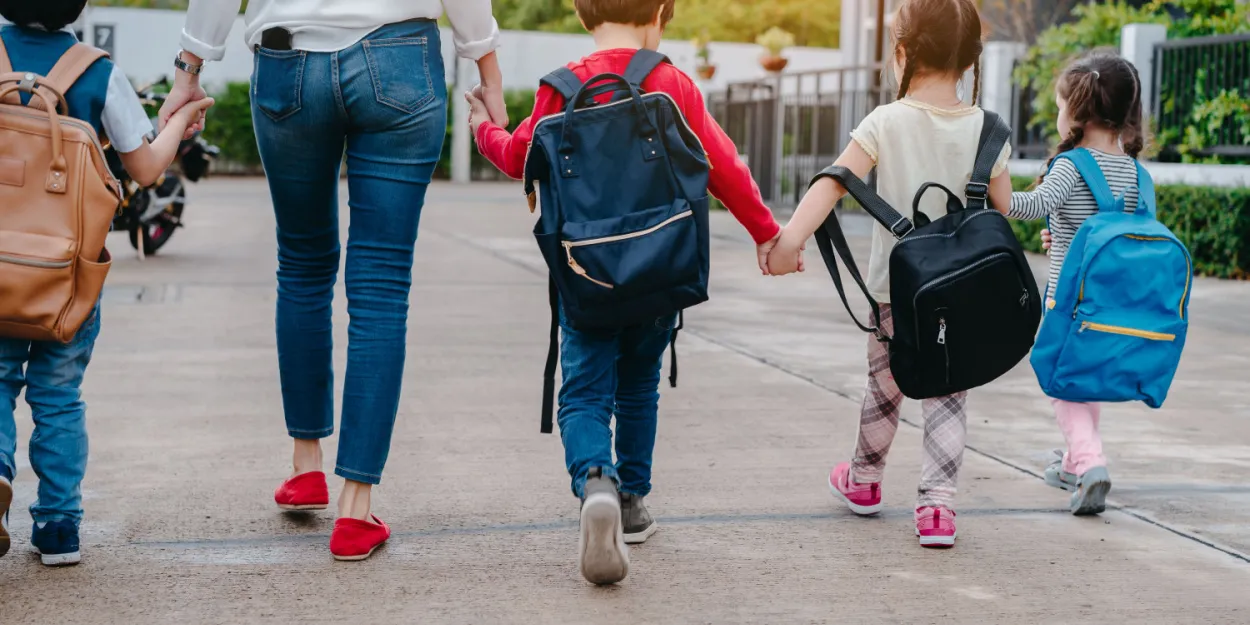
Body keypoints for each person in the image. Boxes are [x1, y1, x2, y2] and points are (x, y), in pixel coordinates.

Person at [161, 0, 506, 561]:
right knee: (381, 286)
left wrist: (188, 71)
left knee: (301, 265)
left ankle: (305, 467)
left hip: (287, 61)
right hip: (401, 61)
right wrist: (488, 75)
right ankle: (354, 509)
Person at [467, 0, 783, 583]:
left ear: (583, 14)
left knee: (585, 393)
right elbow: (723, 163)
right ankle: (633, 502)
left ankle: (595, 483)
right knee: (640, 385)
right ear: (661, 10)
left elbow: (518, 157)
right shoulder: (669, 82)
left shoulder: (558, 89)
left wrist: (482, 128)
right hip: (660, 271)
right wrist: (767, 234)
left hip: (587, 276)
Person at [767, 0, 1011, 548]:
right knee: (949, 391)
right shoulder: (987, 129)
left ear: (901, 53)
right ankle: (938, 511)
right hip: (963, 294)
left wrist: (790, 242)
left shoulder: (884, 120)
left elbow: (832, 181)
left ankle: (865, 482)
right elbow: (1002, 204)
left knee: (885, 388)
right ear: (971, 59)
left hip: (895, 292)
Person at [0, 0, 213, 566]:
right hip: (66, 277)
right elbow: (144, 170)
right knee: (59, 395)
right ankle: (58, 528)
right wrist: (177, 125)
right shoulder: (97, 71)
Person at [996, 51, 1148, 515]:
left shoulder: (1071, 165)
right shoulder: (1134, 169)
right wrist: (1059, 233)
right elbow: (1107, 228)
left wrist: (991, 174)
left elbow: (1023, 206)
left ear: (1077, 111)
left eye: (1060, 105)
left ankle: (1090, 461)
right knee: (1085, 378)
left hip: (1069, 299)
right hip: (1111, 299)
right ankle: (1072, 462)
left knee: (1060, 381)